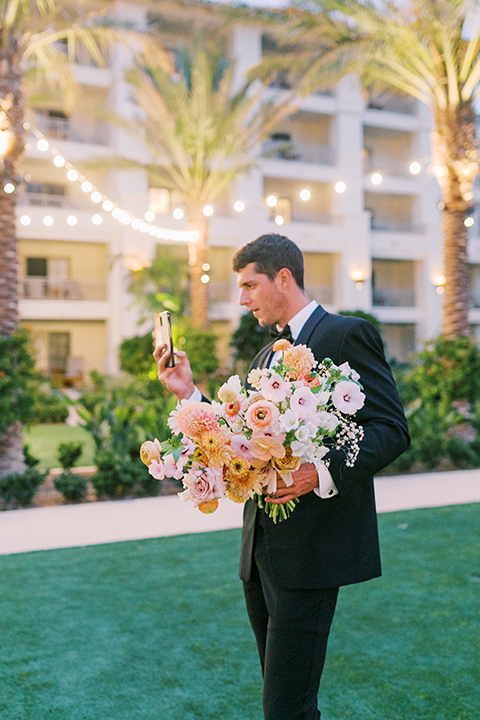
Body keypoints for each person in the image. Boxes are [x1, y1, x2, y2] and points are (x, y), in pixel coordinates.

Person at [153, 233, 410, 720]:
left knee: (285, 708)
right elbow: (238, 439)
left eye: (250, 285)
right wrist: (188, 394)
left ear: (284, 278)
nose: (243, 299)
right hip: (260, 553)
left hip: (313, 551)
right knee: (288, 704)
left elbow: (391, 430)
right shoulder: (264, 357)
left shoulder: (346, 334)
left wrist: (321, 473)